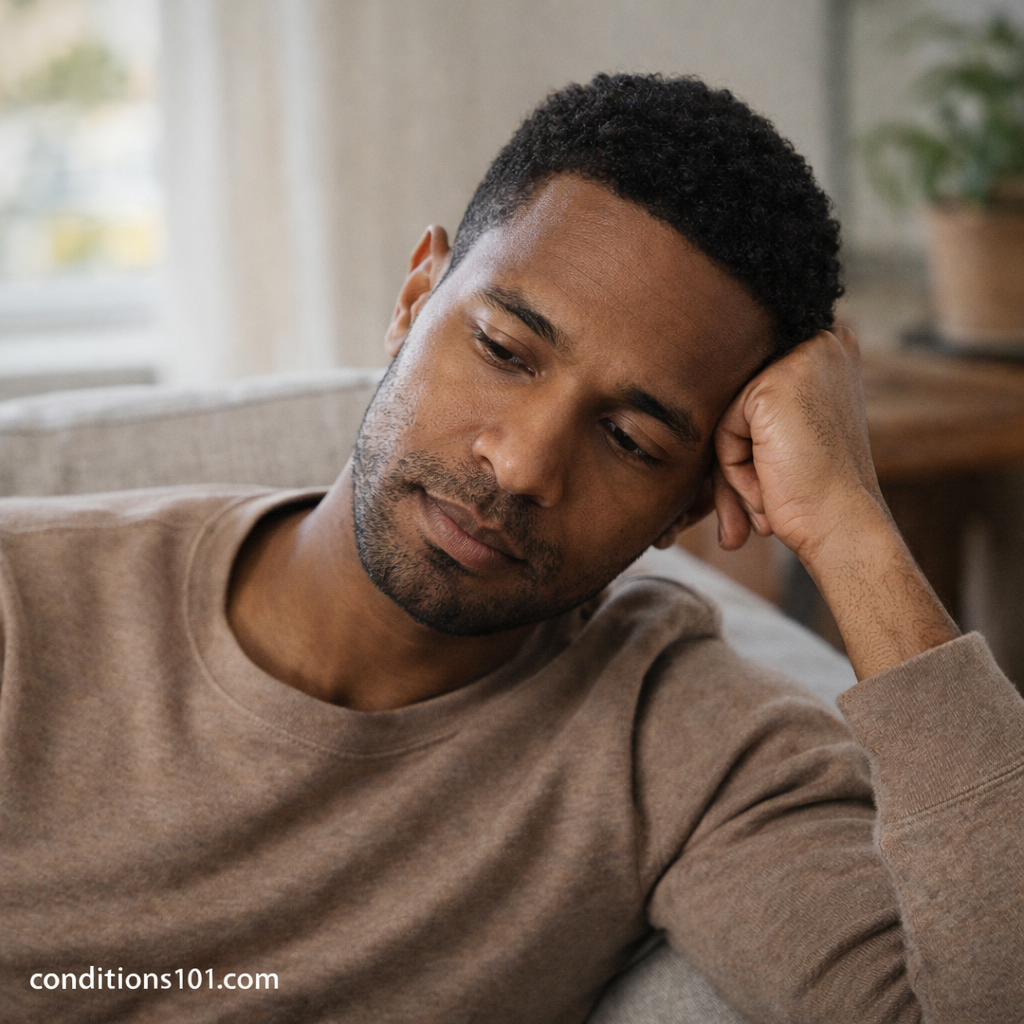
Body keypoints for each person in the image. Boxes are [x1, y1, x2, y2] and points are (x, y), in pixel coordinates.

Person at [1, 73, 1021, 1024]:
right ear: (414, 300)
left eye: (632, 439)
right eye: (500, 349)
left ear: (691, 501)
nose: (525, 463)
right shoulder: (23, 601)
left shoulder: (689, 756)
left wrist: (851, 528)